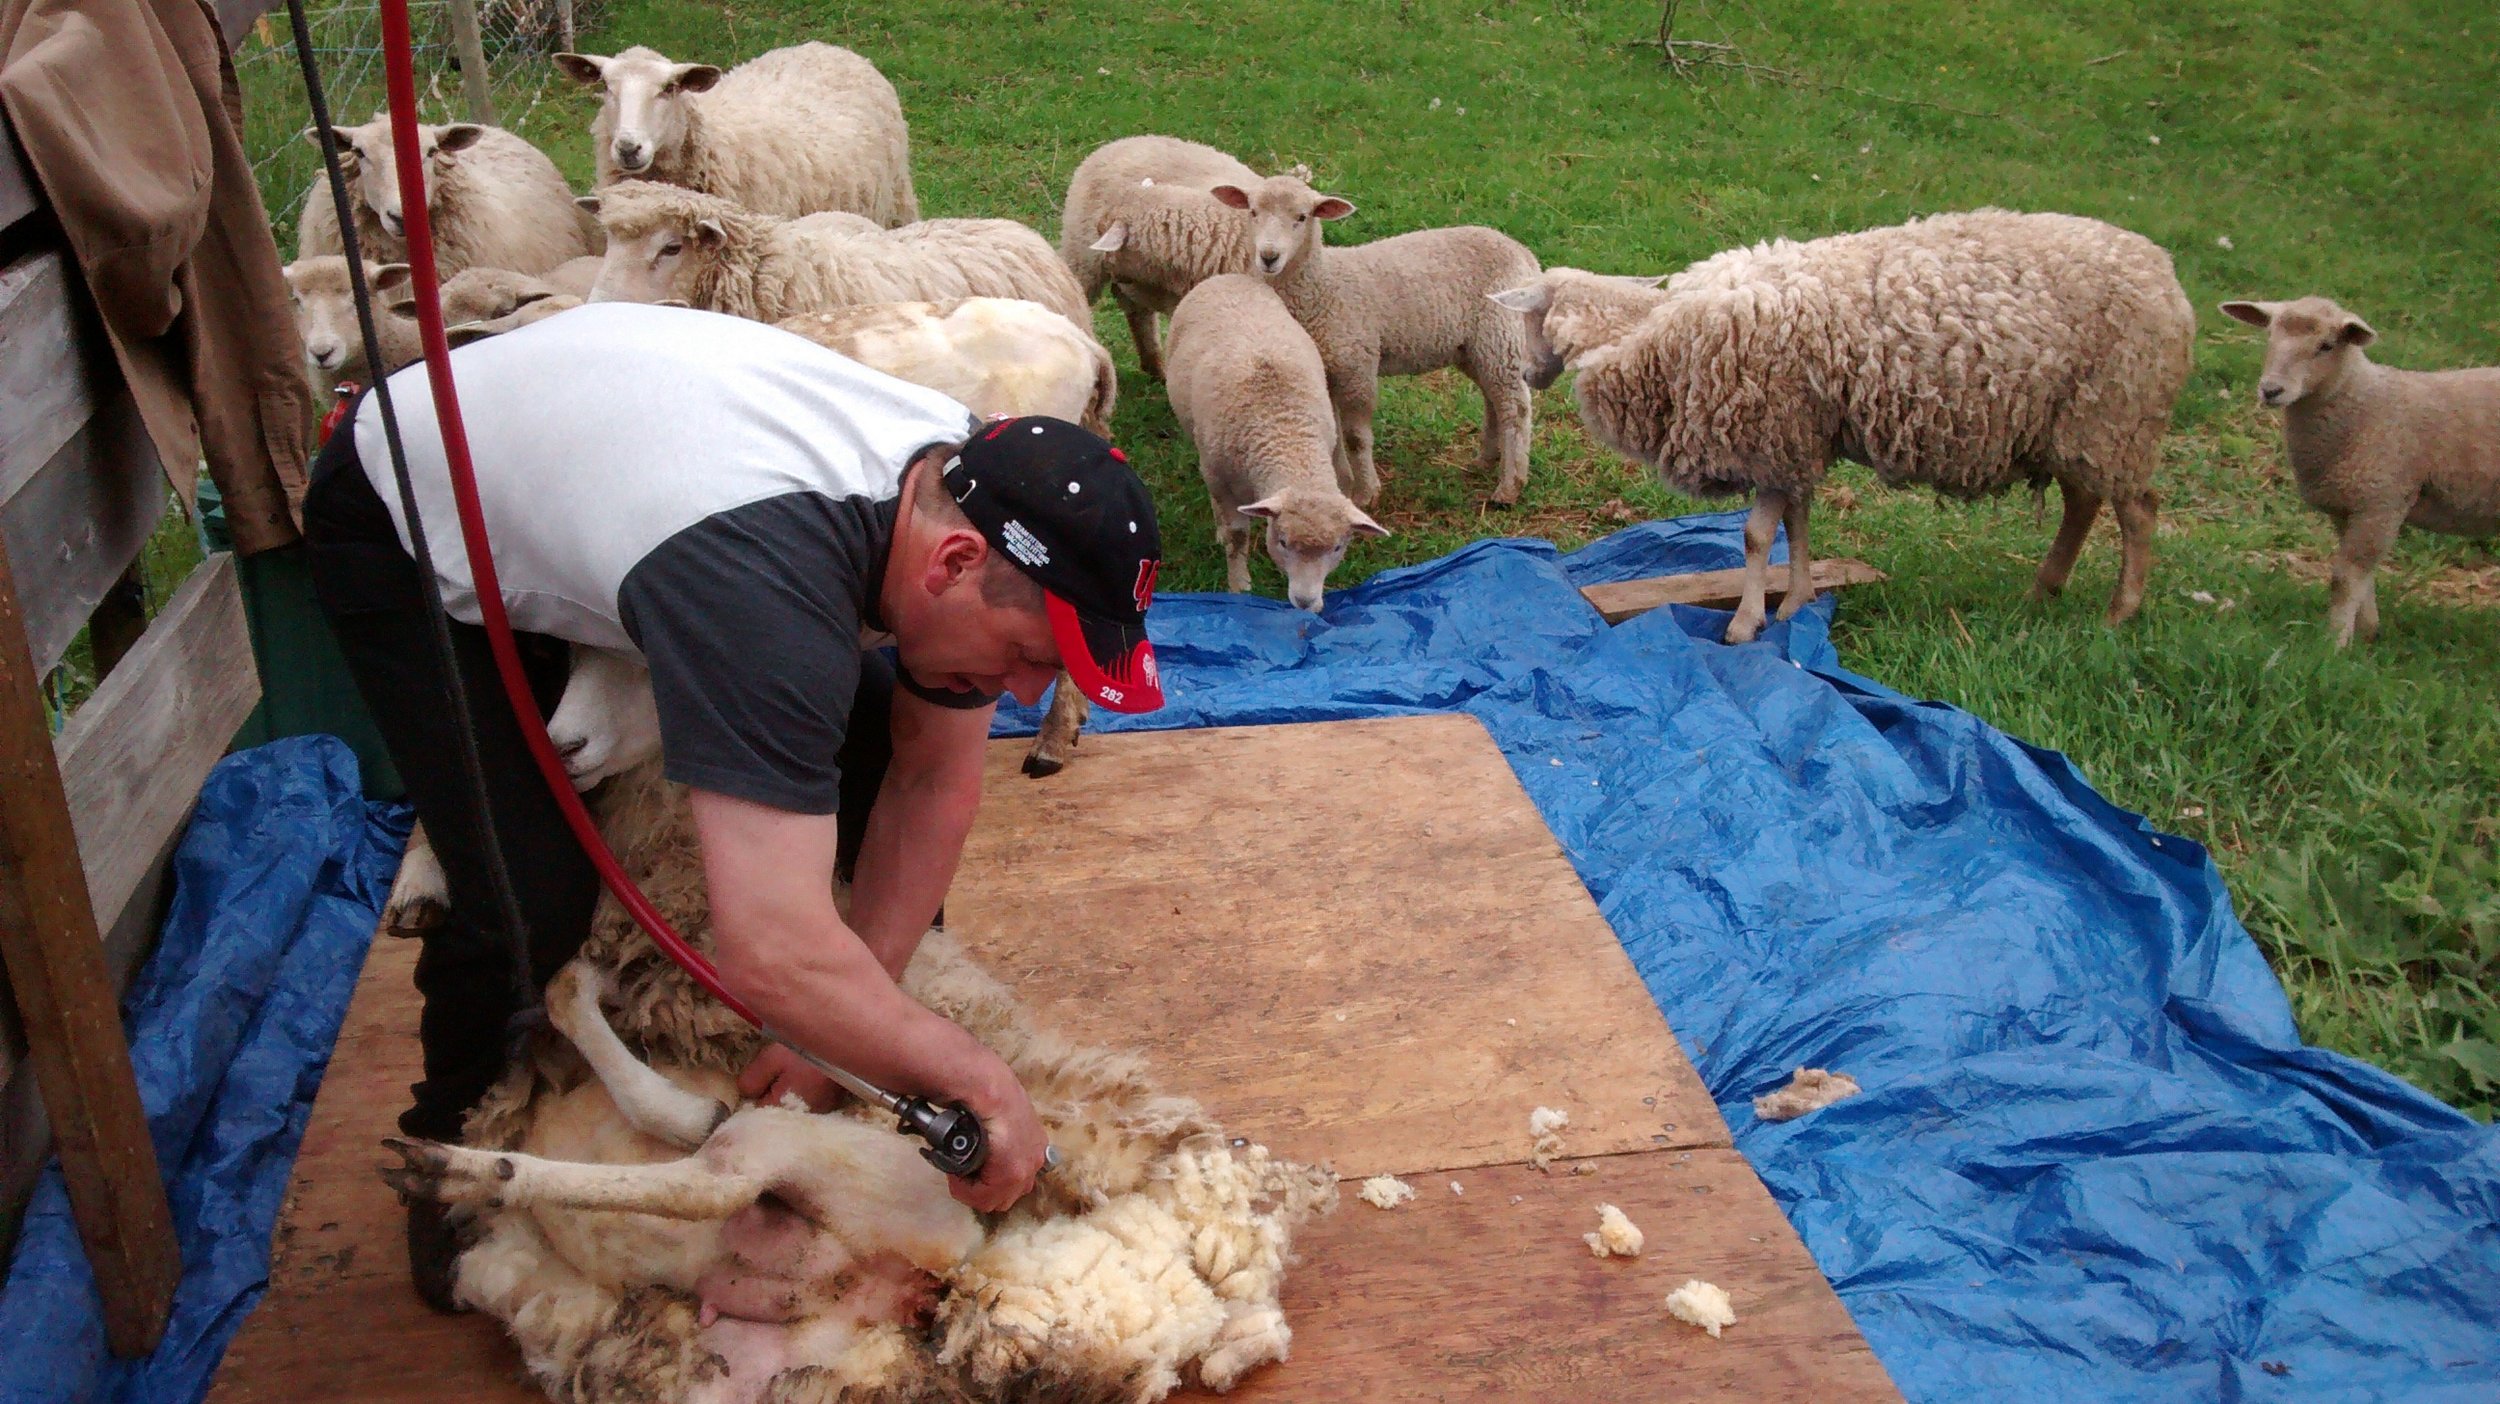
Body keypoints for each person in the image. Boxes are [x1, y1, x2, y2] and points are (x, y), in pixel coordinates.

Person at [301, 301, 1165, 1310]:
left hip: (619, 470)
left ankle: (850, 1030)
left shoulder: (962, 494)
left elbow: (932, 779)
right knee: (524, 887)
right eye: (1028, 657)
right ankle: (455, 1144)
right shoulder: (768, 596)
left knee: (871, 749)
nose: (1024, 695)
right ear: (954, 566)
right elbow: (771, 948)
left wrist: (839, 1037)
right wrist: (974, 1078)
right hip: (414, 508)